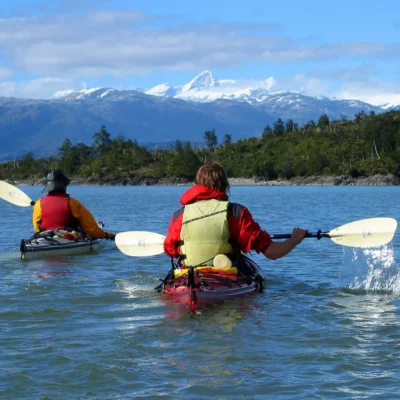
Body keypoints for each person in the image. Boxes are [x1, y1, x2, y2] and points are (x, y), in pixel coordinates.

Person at [164, 161, 307, 269]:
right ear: (225, 185)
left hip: (189, 279)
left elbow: (170, 250)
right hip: (225, 278)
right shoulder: (236, 213)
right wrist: (294, 240)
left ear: (197, 185)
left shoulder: (179, 215)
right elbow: (271, 252)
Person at [32, 169, 115, 240]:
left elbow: (37, 228)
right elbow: (90, 228)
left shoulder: (39, 204)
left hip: (46, 238)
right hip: (70, 237)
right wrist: (106, 235)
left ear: (48, 187)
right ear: (64, 186)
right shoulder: (72, 203)